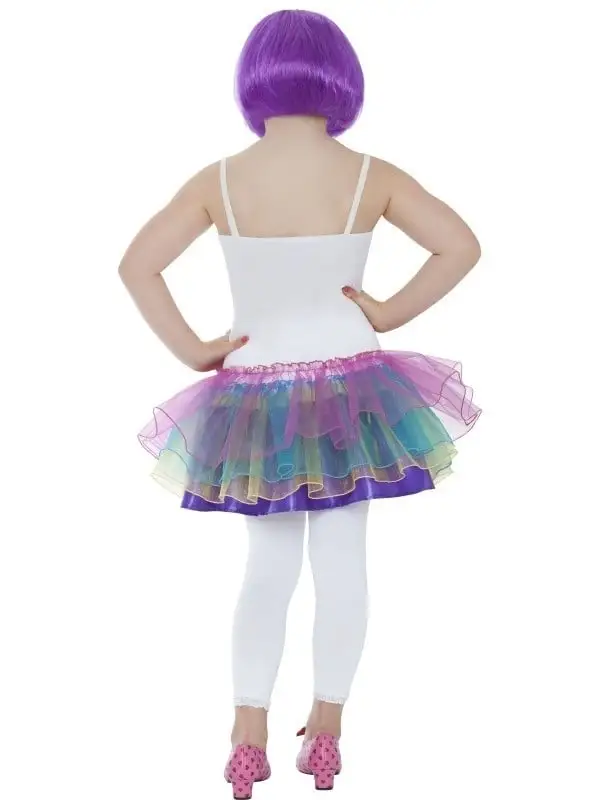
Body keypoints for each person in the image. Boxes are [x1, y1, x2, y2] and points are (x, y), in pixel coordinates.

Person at [119, 9, 481, 798]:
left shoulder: (220, 180)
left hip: (257, 392)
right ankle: (326, 733)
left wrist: (195, 349)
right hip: (354, 390)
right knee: (344, 562)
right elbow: (461, 245)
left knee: (268, 564)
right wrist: (386, 312)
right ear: (342, 77)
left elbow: (138, 264)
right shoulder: (369, 175)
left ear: (253, 79)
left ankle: (247, 735)